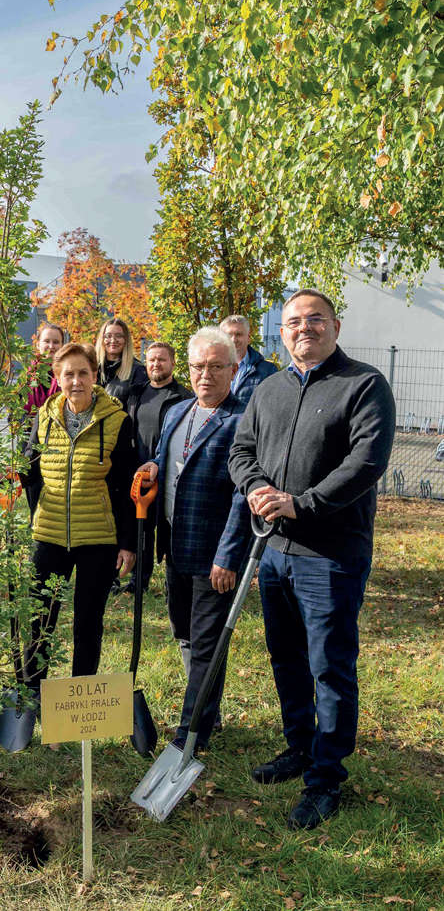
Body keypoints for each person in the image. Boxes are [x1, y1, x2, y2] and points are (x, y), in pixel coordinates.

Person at [229, 288, 395, 830]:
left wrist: (299, 504)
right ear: (282, 332)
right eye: (294, 321)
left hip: (331, 555)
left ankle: (326, 776)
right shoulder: (269, 388)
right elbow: (241, 450)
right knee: (287, 659)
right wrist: (257, 489)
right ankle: (300, 747)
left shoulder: (364, 385)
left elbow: (365, 463)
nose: (304, 328)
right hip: (274, 552)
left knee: (329, 665)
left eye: (315, 319)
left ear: (336, 326)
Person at [137, 326, 252, 753]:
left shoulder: (242, 420)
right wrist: (152, 467)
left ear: (233, 369)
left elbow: (244, 494)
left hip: (213, 556)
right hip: (175, 546)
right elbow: (167, 459)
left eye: (216, 367)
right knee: (185, 632)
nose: (205, 375)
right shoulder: (177, 411)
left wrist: (229, 556)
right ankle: (208, 709)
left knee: (206, 642)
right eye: (198, 367)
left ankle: (192, 732)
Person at [21, 342, 136, 701]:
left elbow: (126, 486)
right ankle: (31, 692)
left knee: (88, 622)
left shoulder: (116, 420)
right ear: (57, 378)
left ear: (94, 375)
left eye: (82, 373)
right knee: (40, 618)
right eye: (67, 374)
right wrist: (35, 509)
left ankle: (79, 698)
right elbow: (30, 468)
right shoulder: (45, 416)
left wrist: (128, 543)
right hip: (50, 535)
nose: (75, 381)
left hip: (97, 539)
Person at [124, 341, 192, 593]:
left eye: (161, 359)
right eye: (151, 359)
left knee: (168, 530)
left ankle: (173, 582)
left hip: (168, 475)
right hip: (138, 473)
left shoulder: (184, 398)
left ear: (173, 363)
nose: (155, 364)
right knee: (140, 530)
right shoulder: (137, 393)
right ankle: (138, 581)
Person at [220, 314, 277, 406]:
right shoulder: (211, 369)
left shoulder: (268, 371)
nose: (234, 339)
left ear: (248, 338)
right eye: (229, 335)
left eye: (239, 334)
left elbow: (272, 407)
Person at [94, 317, 147, 410]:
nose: (113, 340)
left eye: (118, 336)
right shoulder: (92, 368)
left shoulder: (137, 371)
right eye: (108, 336)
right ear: (102, 339)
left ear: (126, 340)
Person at [24, 323, 66, 416]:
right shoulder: (28, 373)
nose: (51, 346)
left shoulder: (68, 373)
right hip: (28, 426)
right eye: (47, 341)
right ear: (38, 344)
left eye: (56, 342)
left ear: (62, 345)